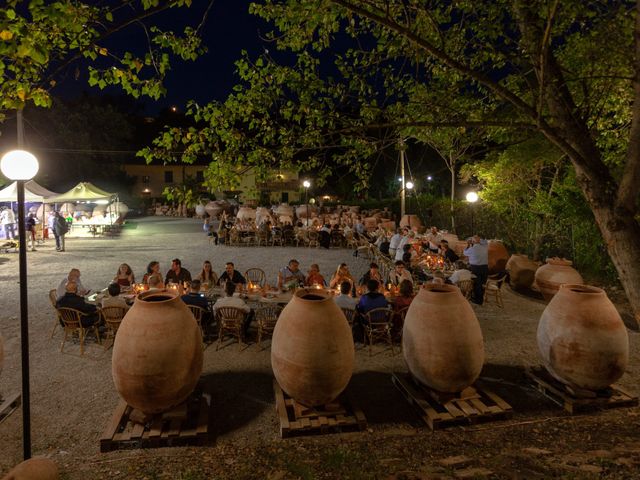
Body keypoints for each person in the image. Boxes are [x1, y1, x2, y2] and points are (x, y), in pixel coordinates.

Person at [464, 235, 489, 304]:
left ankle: (478, 300)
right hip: (485, 268)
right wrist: (477, 239)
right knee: (483, 284)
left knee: (477, 285)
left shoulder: (472, 249)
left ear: (473, 241)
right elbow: (485, 241)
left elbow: (465, 252)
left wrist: (468, 245)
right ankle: (481, 298)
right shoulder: (485, 246)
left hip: (476, 268)